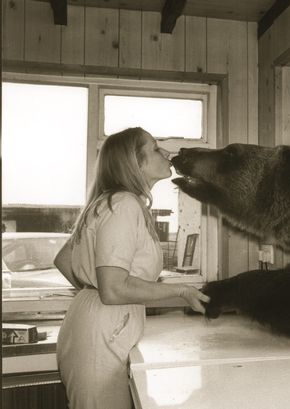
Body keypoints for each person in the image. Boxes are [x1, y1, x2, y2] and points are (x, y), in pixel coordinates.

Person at [54, 127, 210, 409]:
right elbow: (113, 289)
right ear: (134, 163)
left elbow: (64, 261)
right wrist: (183, 290)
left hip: (95, 324)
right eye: (154, 148)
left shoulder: (111, 202)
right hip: (102, 334)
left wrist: (95, 291)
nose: (166, 153)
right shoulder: (124, 204)